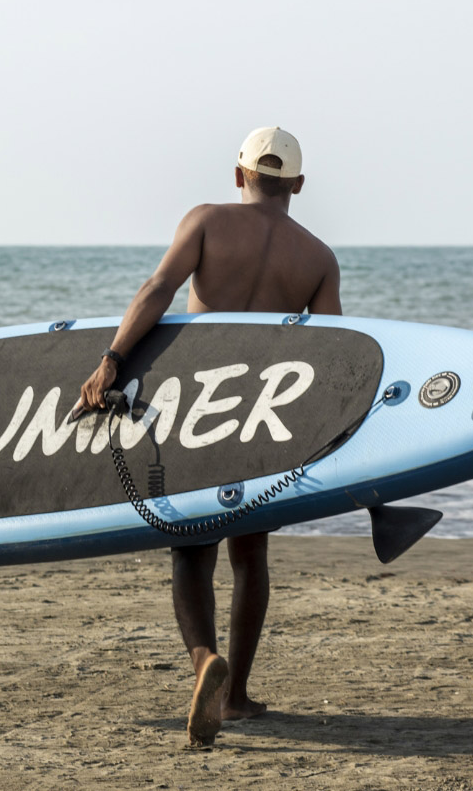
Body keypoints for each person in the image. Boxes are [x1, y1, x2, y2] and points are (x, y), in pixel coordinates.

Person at [76, 126, 342, 746]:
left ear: (238, 175)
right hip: (265, 413)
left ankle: (204, 666)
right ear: (298, 186)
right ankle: (239, 696)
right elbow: (331, 354)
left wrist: (112, 360)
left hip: (199, 404)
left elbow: (157, 291)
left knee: (190, 550)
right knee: (250, 556)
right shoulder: (319, 258)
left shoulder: (206, 220)